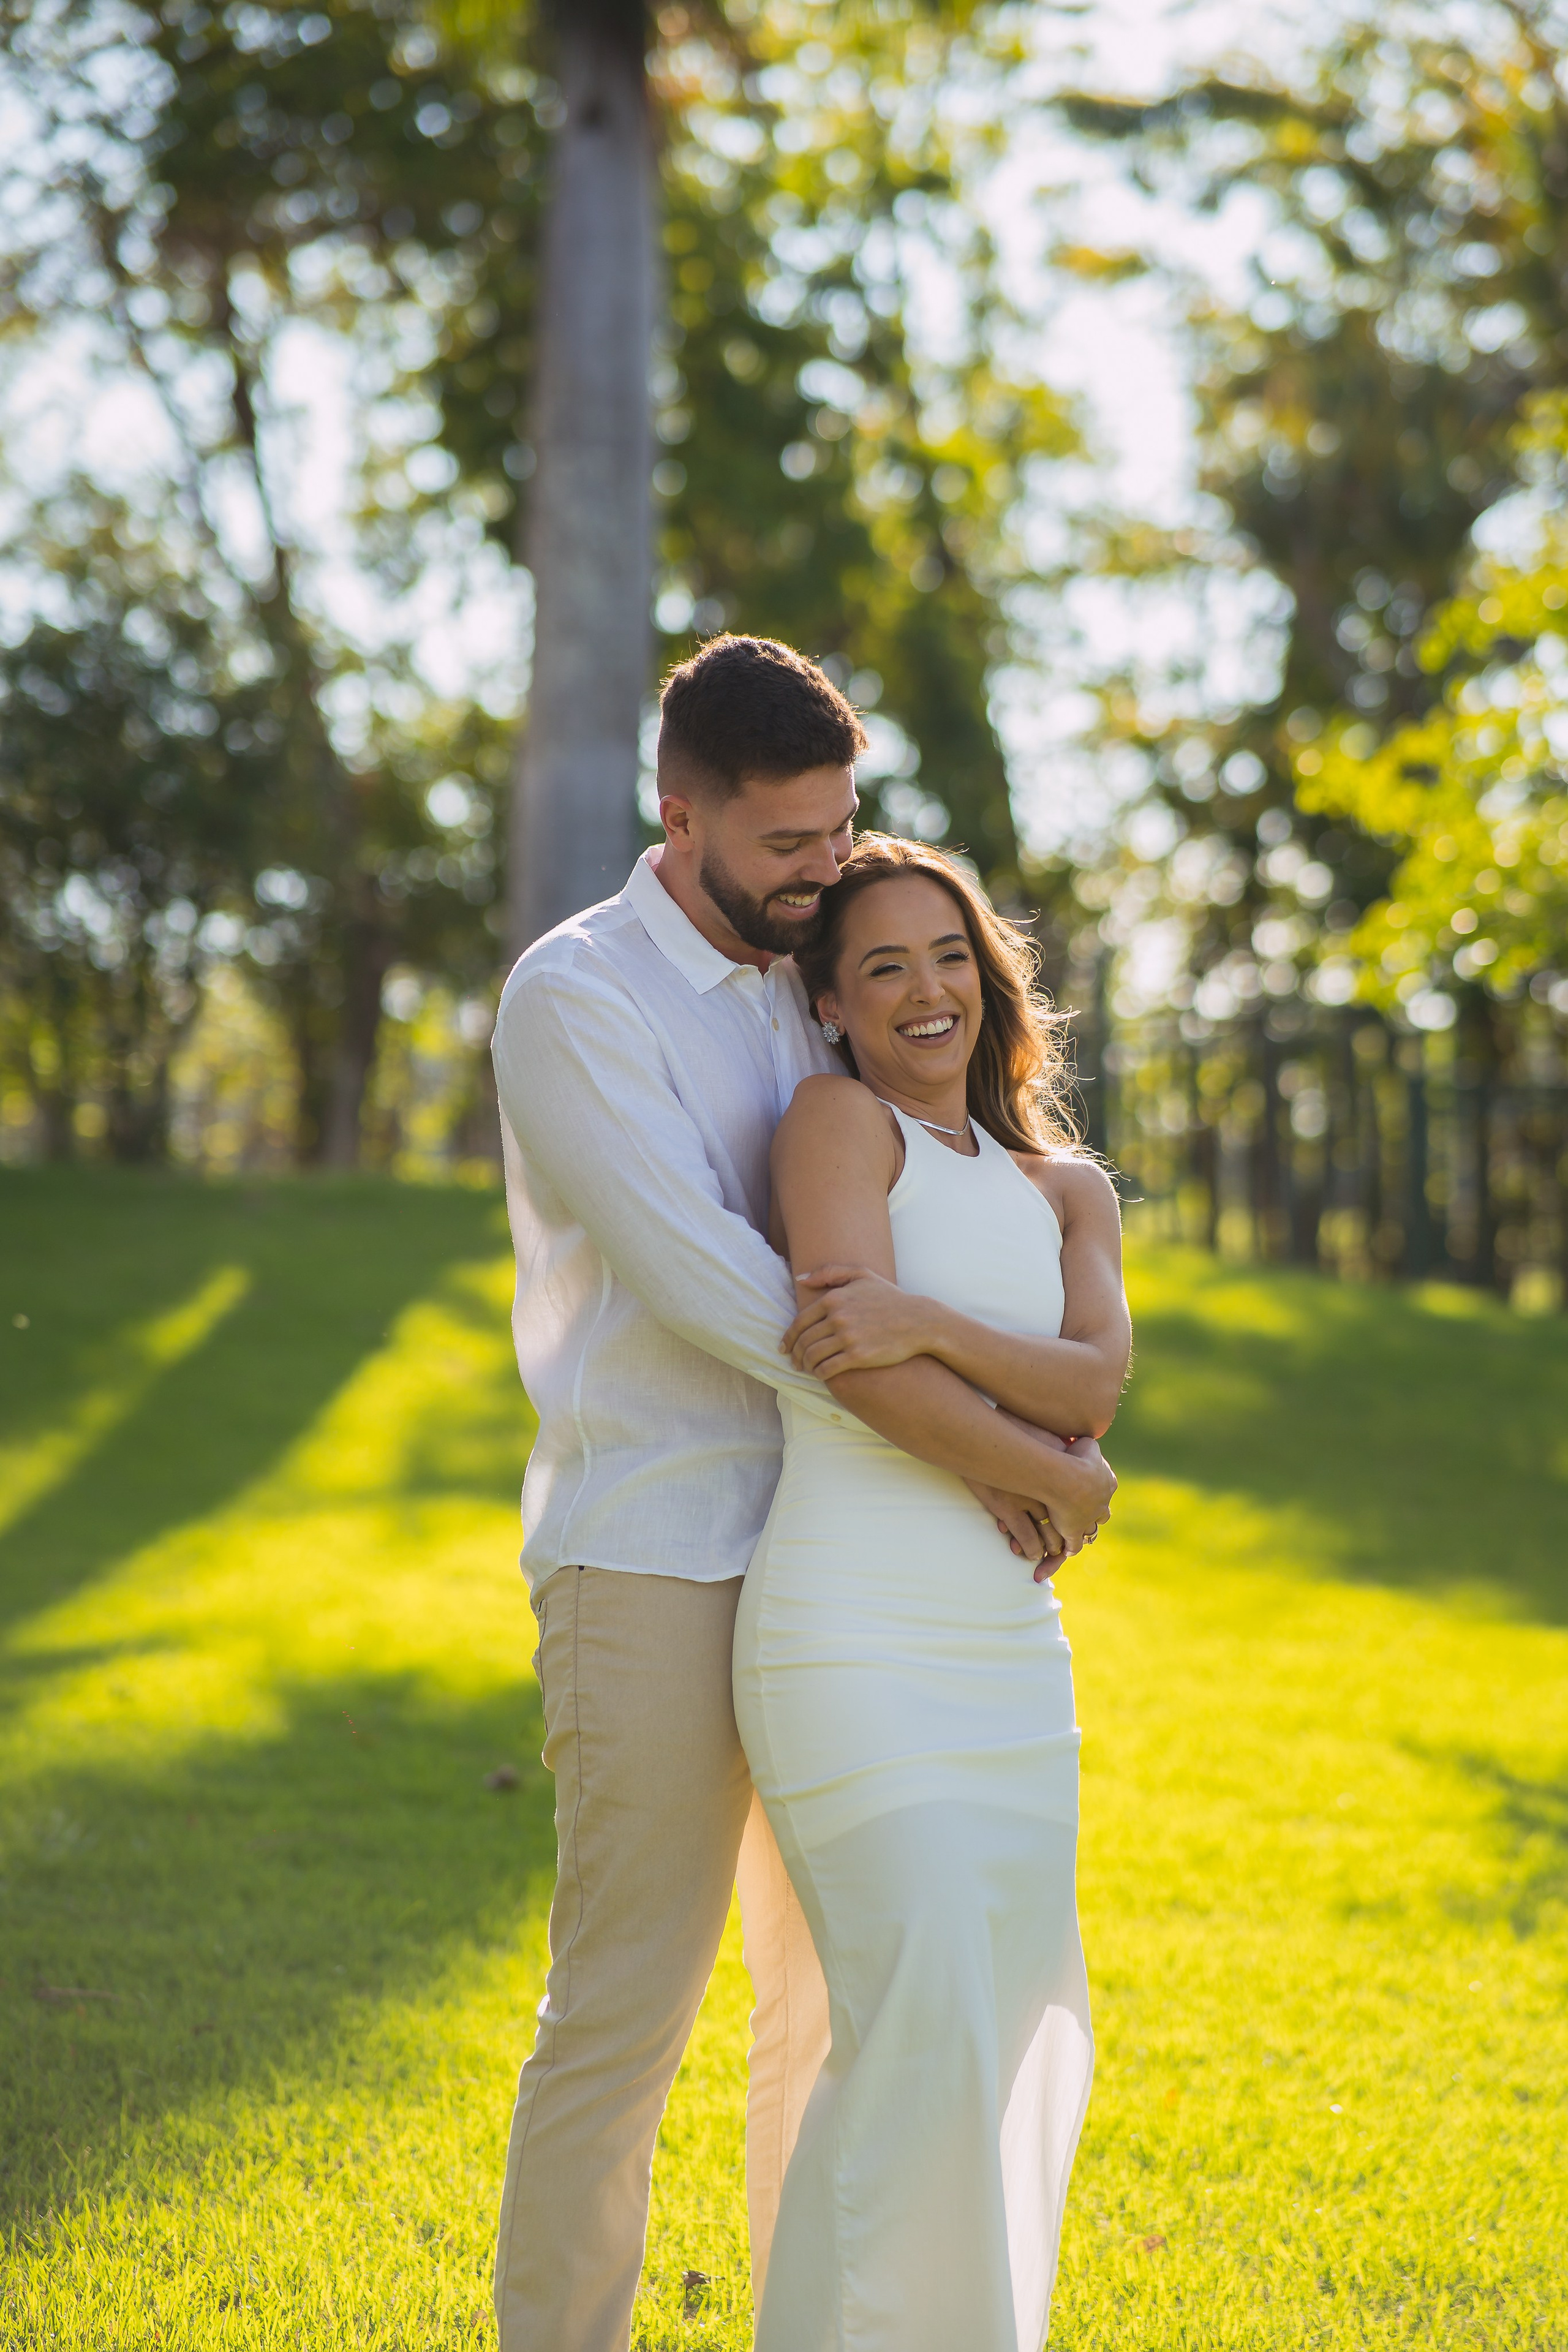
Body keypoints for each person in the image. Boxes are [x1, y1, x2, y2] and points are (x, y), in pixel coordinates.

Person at [489, 635, 1110, 2352]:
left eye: (839, 833)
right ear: (677, 815)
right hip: (663, 1552)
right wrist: (1004, 1448)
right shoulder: (579, 997)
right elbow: (726, 1291)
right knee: (626, 2015)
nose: (822, 874)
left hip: (855, 1569)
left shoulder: (818, 963)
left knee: (839, 2019)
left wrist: (979, 1429)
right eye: (786, 848)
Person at [734, 831, 1130, 2352]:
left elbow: (1092, 1383)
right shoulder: (834, 1124)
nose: (923, 990)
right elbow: (847, 1364)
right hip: (848, 1634)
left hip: (1007, 1660)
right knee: (911, 2032)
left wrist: (923, 1320)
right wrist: (1044, 1468)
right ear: (828, 1004)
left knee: (1005, 2037)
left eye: (948, 955)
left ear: (990, 976)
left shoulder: (1064, 1187)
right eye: (881, 966)